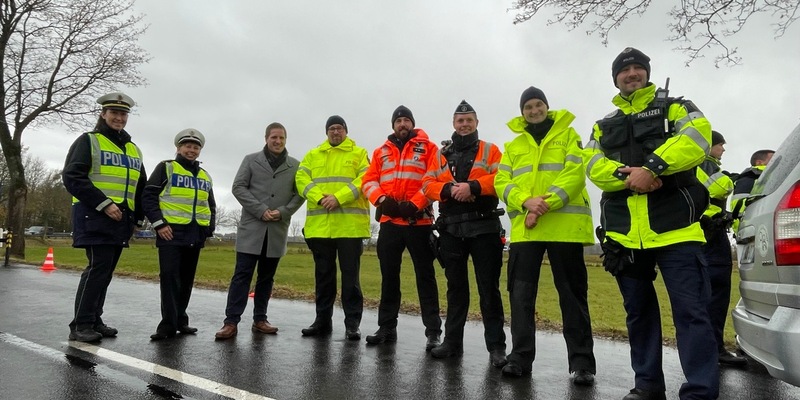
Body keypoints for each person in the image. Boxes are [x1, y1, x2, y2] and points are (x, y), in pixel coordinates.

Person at [584, 47, 719, 400]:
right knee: (638, 314)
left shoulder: (677, 107)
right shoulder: (602, 124)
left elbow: (697, 139)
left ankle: (700, 392)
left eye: (637, 68)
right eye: (624, 70)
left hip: (676, 230)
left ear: (646, 72)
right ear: (615, 78)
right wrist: (629, 177)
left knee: (691, 313)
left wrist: (653, 168)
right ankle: (647, 386)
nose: (632, 73)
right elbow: (592, 165)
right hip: (625, 236)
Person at [493, 88, 596, 385]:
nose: (534, 110)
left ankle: (582, 364)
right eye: (528, 106)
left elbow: (575, 173)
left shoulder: (568, 136)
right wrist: (527, 201)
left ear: (547, 107)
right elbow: (503, 181)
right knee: (521, 296)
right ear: (522, 111)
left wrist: (544, 203)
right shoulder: (513, 145)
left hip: (564, 228)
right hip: (528, 231)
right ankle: (520, 358)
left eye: (538, 105)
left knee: (572, 297)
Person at [421, 100, 507, 367]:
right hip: (451, 229)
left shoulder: (491, 150)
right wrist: (448, 190)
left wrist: (473, 187)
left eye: (469, 120)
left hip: (484, 228)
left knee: (488, 290)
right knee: (456, 289)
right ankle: (452, 343)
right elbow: (427, 184)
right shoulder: (440, 153)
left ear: (477, 123)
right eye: (460, 121)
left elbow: (502, 179)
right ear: (454, 124)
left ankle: (496, 348)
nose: (465, 124)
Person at [62, 92, 147, 342]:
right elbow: (72, 177)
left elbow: (139, 186)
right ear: (103, 114)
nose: (119, 118)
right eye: (114, 113)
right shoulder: (88, 141)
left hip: (121, 220)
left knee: (106, 271)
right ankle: (80, 324)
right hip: (94, 216)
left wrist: (137, 219)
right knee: (97, 268)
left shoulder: (134, 149)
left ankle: (94, 319)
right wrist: (103, 203)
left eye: (123, 114)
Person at [361, 105, 442, 350]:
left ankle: (433, 332)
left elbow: (436, 179)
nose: (402, 124)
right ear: (393, 125)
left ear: (412, 123)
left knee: (425, 277)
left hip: (420, 222)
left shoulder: (429, 148)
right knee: (389, 278)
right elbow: (368, 180)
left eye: (406, 120)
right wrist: (383, 201)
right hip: (390, 223)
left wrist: (415, 205)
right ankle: (386, 327)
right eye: (398, 121)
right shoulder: (380, 151)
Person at [214, 122, 305, 340]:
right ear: (266, 138)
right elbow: (238, 187)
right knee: (242, 276)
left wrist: (283, 212)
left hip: (276, 230)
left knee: (266, 278)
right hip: (252, 229)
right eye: (274, 137)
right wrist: (260, 210)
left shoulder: (295, 165)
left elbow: (300, 194)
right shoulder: (250, 160)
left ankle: (260, 319)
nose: (278, 141)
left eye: (282, 138)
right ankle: (231, 322)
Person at [295, 115, 370, 340]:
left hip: (349, 228)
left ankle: (352, 324)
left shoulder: (359, 153)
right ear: (326, 132)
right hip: (320, 228)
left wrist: (338, 198)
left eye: (339, 128)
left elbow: (365, 179)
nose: (335, 132)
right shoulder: (312, 155)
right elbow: (301, 179)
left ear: (346, 131)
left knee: (351, 279)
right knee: (324, 278)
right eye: (331, 129)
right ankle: (322, 322)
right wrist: (320, 198)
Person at [143, 129, 216, 341]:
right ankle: (167, 326)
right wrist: (159, 224)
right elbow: (148, 197)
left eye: (196, 147)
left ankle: (180, 320)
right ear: (178, 148)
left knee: (186, 280)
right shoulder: (166, 168)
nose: (191, 150)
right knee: (169, 279)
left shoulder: (205, 175)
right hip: (170, 234)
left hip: (195, 234)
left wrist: (208, 229)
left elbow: (210, 204)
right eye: (187, 146)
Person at [695, 131, 747, 366]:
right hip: (711, 236)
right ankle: (715, 351)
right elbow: (714, 189)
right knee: (716, 296)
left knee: (709, 296)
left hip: (705, 235)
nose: (723, 149)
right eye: (720, 145)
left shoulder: (702, 164)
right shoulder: (705, 164)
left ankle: (708, 349)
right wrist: (731, 179)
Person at [730, 149, 775, 233]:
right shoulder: (750, 179)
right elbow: (740, 208)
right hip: (756, 229)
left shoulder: (762, 177)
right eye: (773, 159)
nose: (777, 161)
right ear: (759, 162)